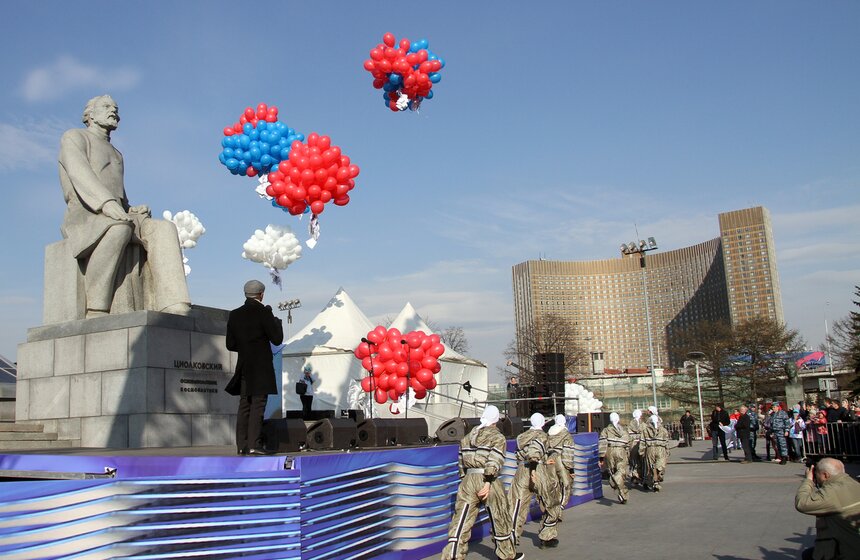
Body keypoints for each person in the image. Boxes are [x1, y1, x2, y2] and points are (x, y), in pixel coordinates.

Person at [59, 95, 190, 318]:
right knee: (120, 227)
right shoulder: (74, 137)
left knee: (163, 228)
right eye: (107, 107)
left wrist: (131, 209)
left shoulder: (117, 153)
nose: (114, 111)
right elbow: (79, 174)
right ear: (89, 114)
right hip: (86, 216)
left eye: (116, 108)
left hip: (115, 213)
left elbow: (119, 196)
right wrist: (107, 204)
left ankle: (174, 303)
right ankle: (96, 307)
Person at [441, 405, 523, 560]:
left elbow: (461, 463)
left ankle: (452, 555)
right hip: (487, 479)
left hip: (468, 480)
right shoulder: (497, 437)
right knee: (499, 515)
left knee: (461, 518)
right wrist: (488, 482)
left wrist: (465, 480)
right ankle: (506, 554)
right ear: (496, 420)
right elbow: (495, 461)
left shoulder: (466, 438)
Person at [226, 280, 284, 455]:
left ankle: (242, 445)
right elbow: (276, 339)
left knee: (245, 404)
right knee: (258, 404)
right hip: (261, 366)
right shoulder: (264, 312)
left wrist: (246, 347)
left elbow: (230, 344)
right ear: (261, 294)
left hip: (244, 365)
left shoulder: (234, 314)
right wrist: (276, 322)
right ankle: (254, 444)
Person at [794, 457, 860, 560]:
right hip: (853, 540)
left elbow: (802, 504)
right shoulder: (854, 482)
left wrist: (808, 481)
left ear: (825, 475)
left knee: (809, 555)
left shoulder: (832, 492)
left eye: (817, 474)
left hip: (846, 550)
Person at [509, 412, 557, 548]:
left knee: (517, 505)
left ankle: (510, 538)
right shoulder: (542, 436)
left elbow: (518, 454)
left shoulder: (521, 437)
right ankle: (547, 536)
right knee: (551, 502)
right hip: (537, 470)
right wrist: (536, 467)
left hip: (521, 470)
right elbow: (535, 452)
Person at [546, 414, 575, 521]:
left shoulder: (548, 433)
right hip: (560, 459)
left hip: (550, 459)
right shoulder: (566, 434)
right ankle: (559, 508)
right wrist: (571, 469)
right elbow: (568, 453)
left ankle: (552, 510)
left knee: (554, 485)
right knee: (565, 485)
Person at [599, 412, 630, 504]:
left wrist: (601, 457)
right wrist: (627, 454)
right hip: (621, 451)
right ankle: (622, 492)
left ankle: (621, 492)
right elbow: (627, 443)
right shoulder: (624, 430)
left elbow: (602, 443)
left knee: (612, 471)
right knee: (621, 471)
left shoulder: (606, 430)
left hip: (610, 451)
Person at [639, 414, 670, 491]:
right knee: (653, 467)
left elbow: (666, 442)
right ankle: (655, 482)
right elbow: (643, 442)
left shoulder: (662, 430)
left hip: (657, 449)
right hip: (654, 449)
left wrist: (667, 450)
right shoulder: (647, 430)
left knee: (658, 466)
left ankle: (658, 476)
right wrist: (642, 452)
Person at [627, 409, 645, 485]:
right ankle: (639, 476)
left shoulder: (630, 425)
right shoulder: (643, 424)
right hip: (640, 445)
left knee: (634, 461)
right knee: (641, 461)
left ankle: (635, 476)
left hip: (633, 445)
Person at [770, 401, 791, 465]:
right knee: (778, 445)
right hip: (775, 431)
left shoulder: (783, 413)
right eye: (772, 407)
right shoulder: (773, 414)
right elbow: (771, 424)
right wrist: (771, 432)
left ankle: (784, 458)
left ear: (777, 407)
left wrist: (786, 430)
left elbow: (787, 422)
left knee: (783, 445)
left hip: (781, 431)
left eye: (774, 407)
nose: (773, 408)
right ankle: (781, 457)